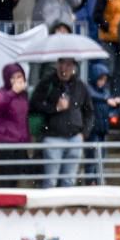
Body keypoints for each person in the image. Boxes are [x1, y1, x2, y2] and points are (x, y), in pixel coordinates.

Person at [30, 57, 94, 188]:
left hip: (75, 138)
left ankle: (67, 208)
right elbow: (34, 106)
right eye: (62, 64)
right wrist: (55, 107)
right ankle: (49, 208)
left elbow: (89, 112)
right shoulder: (46, 83)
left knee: (69, 181)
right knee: (50, 181)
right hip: (52, 138)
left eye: (69, 65)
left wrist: (84, 134)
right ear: (57, 65)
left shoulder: (80, 86)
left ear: (74, 67)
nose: (64, 68)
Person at [0, 63, 33, 187]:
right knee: (7, 178)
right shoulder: (1, 93)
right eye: (13, 78)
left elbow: (23, 118)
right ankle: (4, 204)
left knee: (20, 174)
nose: (17, 81)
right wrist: (13, 92)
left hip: (20, 142)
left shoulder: (24, 96)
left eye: (19, 77)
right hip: (5, 142)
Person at [85, 61, 119, 184]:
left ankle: (98, 179)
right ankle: (90, 181)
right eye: (100, 79)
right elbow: (93, 96)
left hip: (102, 128)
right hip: (92, 129)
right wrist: (107, 100)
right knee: (91, 158)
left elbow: (109, 108)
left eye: (104, 80)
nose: (102, 82)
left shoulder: (105, 91)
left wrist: (114, 108)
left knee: (101, 157)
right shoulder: (89, 89)